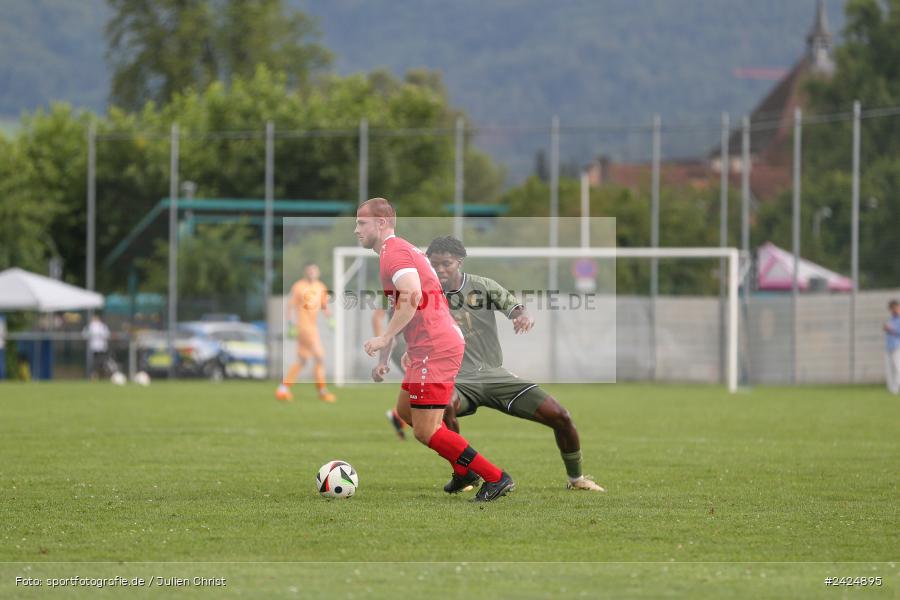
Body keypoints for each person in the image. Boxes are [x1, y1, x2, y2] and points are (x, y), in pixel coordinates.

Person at [386, 235, 605, 493]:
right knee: (443, 407)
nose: (441, 270)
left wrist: (522, 316)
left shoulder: (482, 286)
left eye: (446, 263)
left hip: (493, 376)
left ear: (460, 262)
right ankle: (464, 472)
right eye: (435, 265)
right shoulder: (422, 293)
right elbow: (399, 322)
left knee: (561, 416)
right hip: (454, 379)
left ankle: (576, 479)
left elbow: (515, 307)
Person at [358, 198, 514, 502]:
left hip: (435, 346)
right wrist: (386, 355)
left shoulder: (394, 252)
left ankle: (496, 477)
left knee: (425, 430)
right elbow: (405, 302)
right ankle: (464, 471)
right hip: (426, 346)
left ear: (381, 223)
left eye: (361, 223)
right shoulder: (397, 251)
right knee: (405, 412)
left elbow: (413, 295)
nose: (355, 229)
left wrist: (385, 337)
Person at [276, 262, 336, 403]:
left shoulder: (321, 287)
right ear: (305, 272)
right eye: (309, 271)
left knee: (302, 360)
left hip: (312, 327)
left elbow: (324, 306)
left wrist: (330, 319)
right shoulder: (299, 286)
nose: (311, 273)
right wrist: (290, 324)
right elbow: (289, 306)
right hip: (304, 327)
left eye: (314, 271)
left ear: (318, 272)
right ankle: (322, 391)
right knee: (320, 357)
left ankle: (283, 389)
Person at [371, 304, 408, 439]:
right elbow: (376, 317)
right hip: (403, 344)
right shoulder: (392, 289)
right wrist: (382, 343)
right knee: (423, 383)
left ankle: (398, 415)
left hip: (410, 343)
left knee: (420, 384)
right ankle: (399, 414)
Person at [83, 313, 112, 380]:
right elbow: (84, 334)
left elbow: (107, 335)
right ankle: (94, 375)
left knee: (101, 362)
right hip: (93, 348)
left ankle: (99, 375)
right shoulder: (90, 326)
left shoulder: (102, 326)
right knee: (94, 362)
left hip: (101, 348)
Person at [883, 299, 900, 395]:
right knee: (889, 369)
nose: (893, 310)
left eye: (894, 308)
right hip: (889, 346)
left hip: (897, 346)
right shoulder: (891, 319)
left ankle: (896, 387)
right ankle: (891, 389)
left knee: (898, 368)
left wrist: (890, 329)